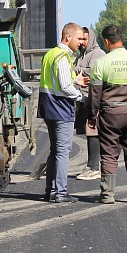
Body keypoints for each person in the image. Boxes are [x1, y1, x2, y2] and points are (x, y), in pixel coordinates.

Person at [89, 25, 127, 204]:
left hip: (110, 115)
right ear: (121, 39)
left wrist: (93, 116)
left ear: (106, 41)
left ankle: (108, 195)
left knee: (108, 154)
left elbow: (95, 94)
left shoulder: (102, 63)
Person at [37, 23, 87, 203]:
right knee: (63, 152)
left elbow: (57, 79)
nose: (82, 42)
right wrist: (82, 98)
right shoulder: (63, 56)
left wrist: (76, 78)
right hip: (61, 108)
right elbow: (65, 86)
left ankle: (50, 191)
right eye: (79, 38)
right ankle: (61, 192)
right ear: (68, 37)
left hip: (48, 107)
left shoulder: (50, 54)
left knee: (55, 150)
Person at [73, 27, 106, 181]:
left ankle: (94, 167)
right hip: (81, 98)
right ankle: (91, 166)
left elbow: (91, 72)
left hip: (92, 98)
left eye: (84, 39)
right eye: (80, 39)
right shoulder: (81, 55)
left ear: (91, 38)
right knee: (86, 131)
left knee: (92, 132)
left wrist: (75, 69)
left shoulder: (98, 54)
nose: (82, 42)